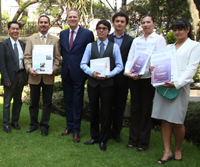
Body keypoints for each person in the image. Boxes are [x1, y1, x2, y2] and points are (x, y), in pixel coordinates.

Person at [151, 18, 200, 164]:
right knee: (164, 119)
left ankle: (178, 149)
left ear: (188, 30)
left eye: (181, 29)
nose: (177, 32)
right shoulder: (169, 47)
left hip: (179, 87)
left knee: (178, 121)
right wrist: (153, 69)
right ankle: (167, 151)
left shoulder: (195, 46)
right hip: (163, 87)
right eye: (175, 29)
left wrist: (176, 83)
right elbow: (160, 64)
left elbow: (192, 68)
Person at [124, 14, 166, 151]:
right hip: (135, 79)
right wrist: (128, 72)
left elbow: (160, 59)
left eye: (148, 22)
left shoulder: (159, 39)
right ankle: (133, 139)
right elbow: (131, 58)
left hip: (149, 79)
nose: (145, 25)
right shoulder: (137, 40)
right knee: (135, 109)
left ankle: (143, 142)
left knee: (146, 109)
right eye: (143, 22)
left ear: (154, 23)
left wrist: (150, 69)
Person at [80, 20, 123, 151]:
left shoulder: (114, 46)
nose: (101, 30)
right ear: (96, 30)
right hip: (93, 84)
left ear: (108, 31)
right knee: (93, 110)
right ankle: (94, 136)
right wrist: (91, 73)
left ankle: (103, 138)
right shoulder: (90, 46)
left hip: (107, 84)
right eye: (99, 28)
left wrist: (108, 74)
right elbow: (83, 64)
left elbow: (120, 66)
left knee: (106, 111)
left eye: (104, 28)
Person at [59, 9, 94, 142]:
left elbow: (90, 54)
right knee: (67, 100)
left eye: (74, 17)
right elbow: (63, 52)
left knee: (77, 101)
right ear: (67, 19)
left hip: (79, 73)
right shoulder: (62, 34)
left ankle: (76, 130)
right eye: (70, 17)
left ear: (79, 19)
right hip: (66, 73)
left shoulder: (87, 34)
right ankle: (69, 126)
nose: (72, 19)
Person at [24, 15, 61, 136]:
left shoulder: (55, 40)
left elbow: (57, 59)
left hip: (48, 77)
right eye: (41, 22)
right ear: (38, 24)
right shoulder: (30, 39)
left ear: (49, 25)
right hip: (34, 76)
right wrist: (29, 69)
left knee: (47, 103)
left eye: (46, 22)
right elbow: (27, 57)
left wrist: (54, 69)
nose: (43, 24)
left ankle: (44, 126)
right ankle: (34, 125)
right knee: (33, 103)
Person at [108, 12, 134, 143]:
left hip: (123, 79)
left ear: (126, 24)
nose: (119, 23)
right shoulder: (106, 38)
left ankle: (116, 133)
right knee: (107, 106)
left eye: (122, 21)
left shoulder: (131, 41)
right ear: (113, 22)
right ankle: (106, 131)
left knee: (120, 106)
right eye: (117, 21)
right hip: (107, 78)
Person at [0, 21, 28, 133]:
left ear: (19, 31)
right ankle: (6, 123)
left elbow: (26, 62)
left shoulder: (23, 45)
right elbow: (1, 63)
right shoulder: (3, 44)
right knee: (7, 102)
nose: (15, 31)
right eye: (13, 29)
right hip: (10, 77)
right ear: (9, 30)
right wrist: (6, 79)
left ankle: (14, 122)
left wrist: (26, 78)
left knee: (18, 101)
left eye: (17, 29)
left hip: (21, 75)